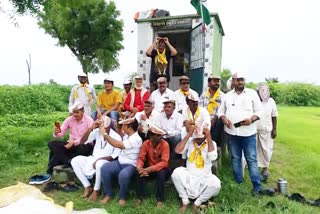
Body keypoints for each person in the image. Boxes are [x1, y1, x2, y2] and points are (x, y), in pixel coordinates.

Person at [217, 72, 264, 194]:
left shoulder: (252, 94)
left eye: (242, 80)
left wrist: (251, 119)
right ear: (233, 81)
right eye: (237, 80)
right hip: (232, 133)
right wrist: (224, 119)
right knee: (235, 158)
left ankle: (257, 187)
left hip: (248, 134)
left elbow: (260, 111)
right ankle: (238, 182)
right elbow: (220, 111)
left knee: (251, 159)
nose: (240, 82)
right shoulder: (227, 96)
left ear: (244, 81)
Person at [29, 102, 94, 185]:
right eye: (73, 112)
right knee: (52, 144)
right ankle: (67, 161)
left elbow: (89, 138)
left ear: (83, 111)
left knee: (58, 151)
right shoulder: (69, 120)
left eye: (77, 112)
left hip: (84, 145)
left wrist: (74, 142)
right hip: (70, 146)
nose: (75, 115)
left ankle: (51, 171)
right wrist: (56, 132)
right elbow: (61, 134)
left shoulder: (89, 120)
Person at [171, 125, 221, 214]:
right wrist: (188, 135)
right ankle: (185, 201)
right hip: (189, 176)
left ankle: (198, 202)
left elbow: (213, 157)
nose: (197, 139)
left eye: (200, 138)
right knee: (176, 173)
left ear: (205, 135)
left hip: (204, 177)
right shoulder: (190, 141)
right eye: (196, 138)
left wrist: (209, 137)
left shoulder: (211, 143)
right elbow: (177, 150)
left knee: (216, 184)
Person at [70, 116, 121, 201]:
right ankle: (87, 186)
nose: (102, 128)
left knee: (99, 164)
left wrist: (100, 160)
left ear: (109, 126)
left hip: (106, 162)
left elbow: (115, 155)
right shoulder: (97, 131)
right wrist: (91, 128)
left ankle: (96, 190)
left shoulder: (116, 136)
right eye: (100, 125)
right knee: (75, 160)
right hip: (93, 159)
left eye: (104, 126)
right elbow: (82, 142)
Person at [100, 118, 142, 206]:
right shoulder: (128, 135)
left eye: (124, 125)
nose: (122, 127)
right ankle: (108, 194)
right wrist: (118, 130)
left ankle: (123, 197)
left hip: (131, 165)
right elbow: (122, 138)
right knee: (105, 168)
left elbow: (117, 144)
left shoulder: (136, 139)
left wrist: (104, 133)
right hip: (120, 163)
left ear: (129, 127)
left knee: (123, 174)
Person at [135, 126, 170, 208]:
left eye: (159, 135)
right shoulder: (146, 143)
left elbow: (164, 162)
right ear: (151, 136)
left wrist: (150, 169)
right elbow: (141, 158)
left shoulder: (165, 144)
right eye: (156, 135)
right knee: (138, 172)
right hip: (150, 169)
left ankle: (160, 199)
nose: (159, 137)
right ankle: (139, 197)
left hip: (162, 169)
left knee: (161, 174)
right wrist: (139, 167)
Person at [256, 83, 278, 181]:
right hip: (254, 130)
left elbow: (274, 115)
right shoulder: (255, 100)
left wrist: (275, 129)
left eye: (266, 90)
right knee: (254, 151)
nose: (264, 93)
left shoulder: (271, 101)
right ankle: (255, 168)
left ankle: (265, 168)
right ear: (258, 92)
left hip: (267, 130)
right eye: (262, 90)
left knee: (267, 150)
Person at [199, 75, 224, 145]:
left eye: (218, 81)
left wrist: (214, 119)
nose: (217, 83)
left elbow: (222, 110)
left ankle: (213, 144)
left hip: (216, 120)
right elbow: (200, 109)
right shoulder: (203, 95)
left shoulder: (222, 96)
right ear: (209, 83)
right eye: (215, 81)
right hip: (205, 119)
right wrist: (207, 120)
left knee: (219, 122)